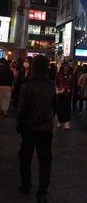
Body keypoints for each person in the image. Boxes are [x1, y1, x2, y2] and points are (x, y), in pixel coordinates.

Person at [16, 55, 56, 203]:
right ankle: (42, 192)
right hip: (45, 129)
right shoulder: (51, 86)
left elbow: (21, 110)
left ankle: (26, 185)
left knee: (25, 157)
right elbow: (54, 107)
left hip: (29, 128)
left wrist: (20, 126)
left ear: (33, 67)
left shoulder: (27, 86)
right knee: (45, 161)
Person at [55, 61, 73, 130]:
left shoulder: (71, 74)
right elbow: (56, 83)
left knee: (67, 108)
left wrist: (72, 92)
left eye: (67, 66)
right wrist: (58, 89)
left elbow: (72, 84)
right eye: (65, 66)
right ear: (62, 67)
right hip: (60, 93)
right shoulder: (59, 74)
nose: (66, 68)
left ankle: (67, 122)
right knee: (60, 107)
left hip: (68, 94)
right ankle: (60, 120)